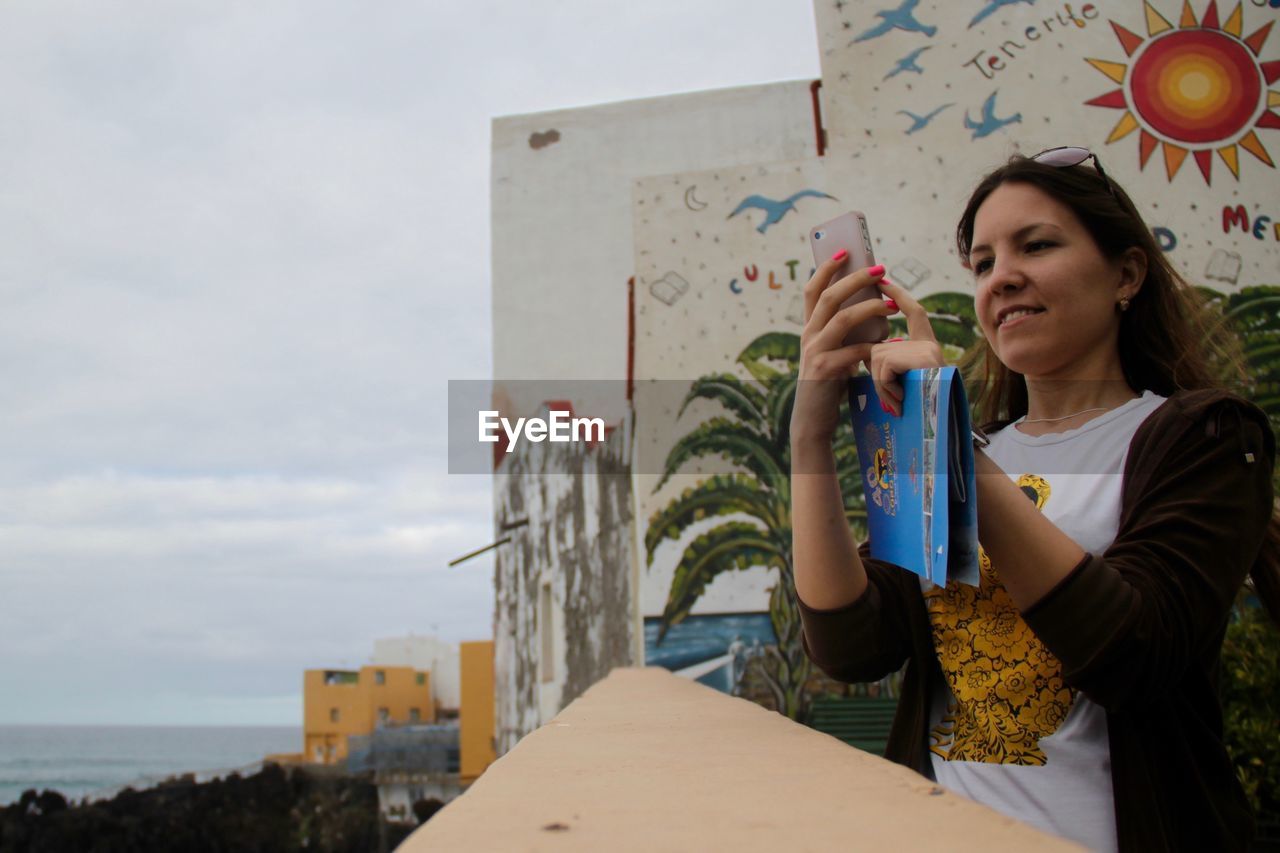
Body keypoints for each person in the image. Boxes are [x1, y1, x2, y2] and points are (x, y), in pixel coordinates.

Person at [789, 148, 1279, 852]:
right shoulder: (975, 448)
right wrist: (810, 434)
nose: (1002, 277)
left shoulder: (1204, 435)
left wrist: (949, 435)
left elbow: (1133, 652)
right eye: (983, 263)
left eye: (1037, 245)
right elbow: (853, 644)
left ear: (1127, 275)